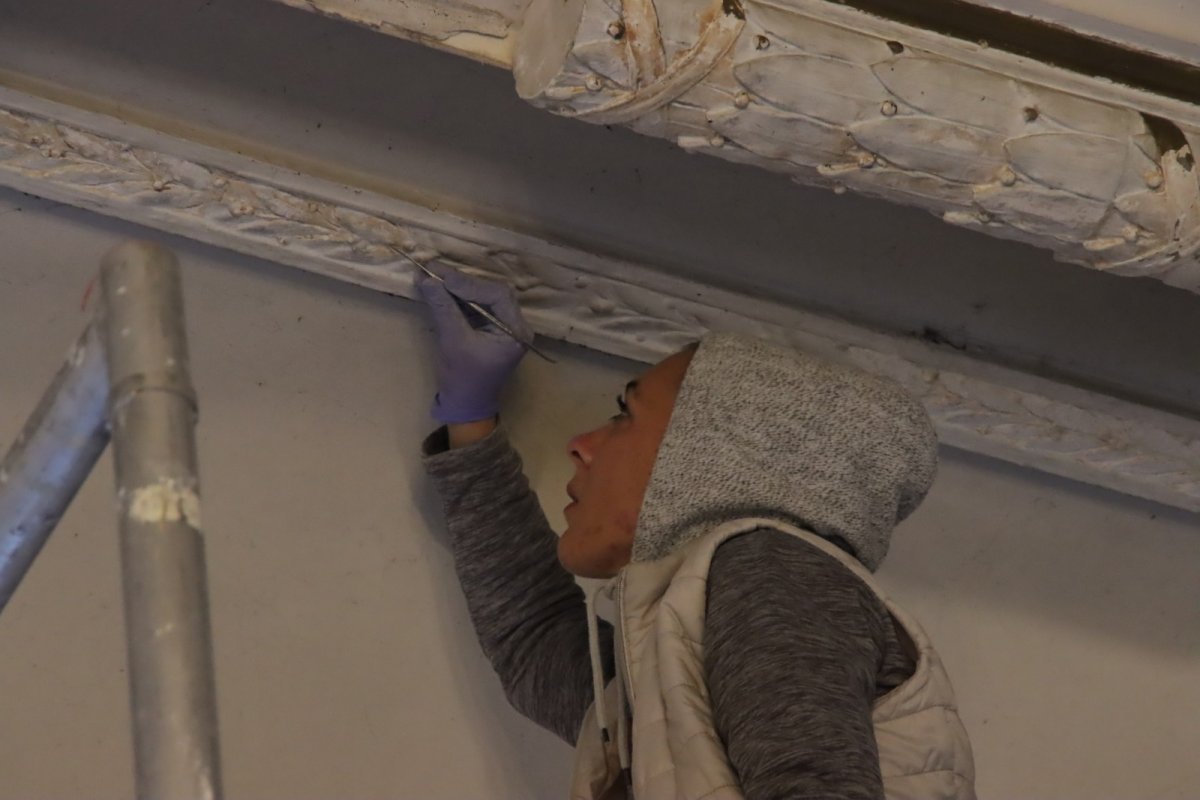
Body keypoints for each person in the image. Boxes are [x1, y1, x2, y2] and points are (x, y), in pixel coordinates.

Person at [416, 267, 976, 800]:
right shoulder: (695, 639)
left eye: (623, 414)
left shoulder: (774, 578)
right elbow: (535, 640)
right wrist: (469, 419)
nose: (580, 446)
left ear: (713, 460)